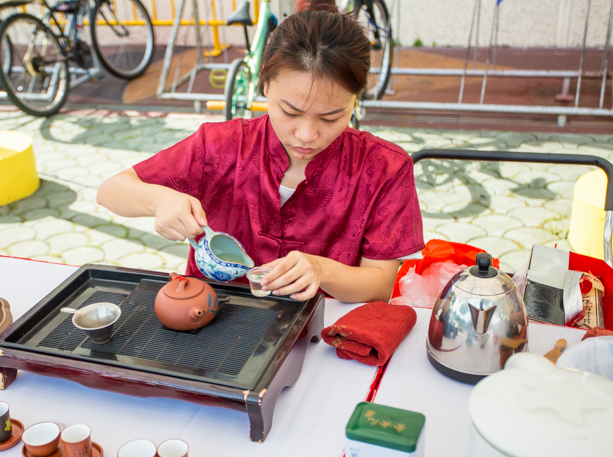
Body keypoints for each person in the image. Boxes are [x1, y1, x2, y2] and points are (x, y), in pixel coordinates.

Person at [97, 0, 424, 303]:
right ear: (265, 85)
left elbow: (380, 285)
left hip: (321, 333)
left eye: (331, 116)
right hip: (212, 317)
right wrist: (159, 200)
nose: (307, 135)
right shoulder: (221, 145)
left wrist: (322, 270)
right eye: (291, 112)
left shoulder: (385, 168)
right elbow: (110, 191)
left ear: (356, 98)